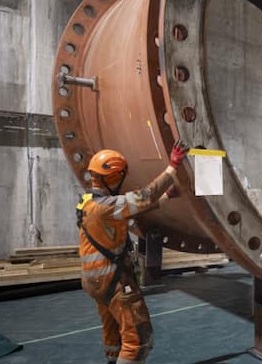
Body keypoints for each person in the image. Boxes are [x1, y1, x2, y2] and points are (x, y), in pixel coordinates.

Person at [77, 141, 189, 364]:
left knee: (112, 331)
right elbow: (143, 197)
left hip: (93, 281)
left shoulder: (88, 202)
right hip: (112, 281)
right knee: (138, 339)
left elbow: (130, 209)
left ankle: (112, 359)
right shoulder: (106, 207)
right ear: (113, 178)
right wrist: (172, 167)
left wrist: (166, 196)